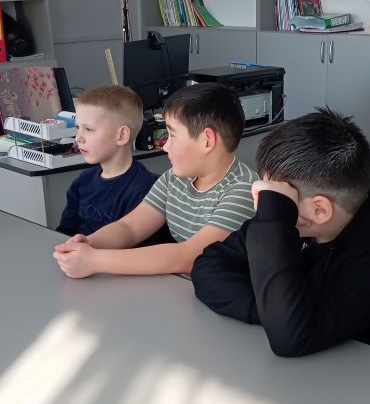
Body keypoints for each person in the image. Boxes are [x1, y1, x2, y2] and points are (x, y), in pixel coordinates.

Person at [191, 107, 370, 357]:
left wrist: (274, 219)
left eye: (274, 196)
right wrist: (270, 309)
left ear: (320, 210)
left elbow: (291, 338)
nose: (261, 203)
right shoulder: (302, 219)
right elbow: (209, 265)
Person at [53, 83, 257, 278]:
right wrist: (87, 244)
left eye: (172, 135)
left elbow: (189, 256)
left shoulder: (244, 191)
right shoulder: (175, 178)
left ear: (207, 141)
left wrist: (95, 260)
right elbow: (130, 227)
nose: (165, 145)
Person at [55, 85, 156, 237]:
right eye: (78, 128)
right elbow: (64, 233)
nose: (78, 138)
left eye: (89, 129)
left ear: (121, 136)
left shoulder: (143, 190)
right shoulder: (83, 181)